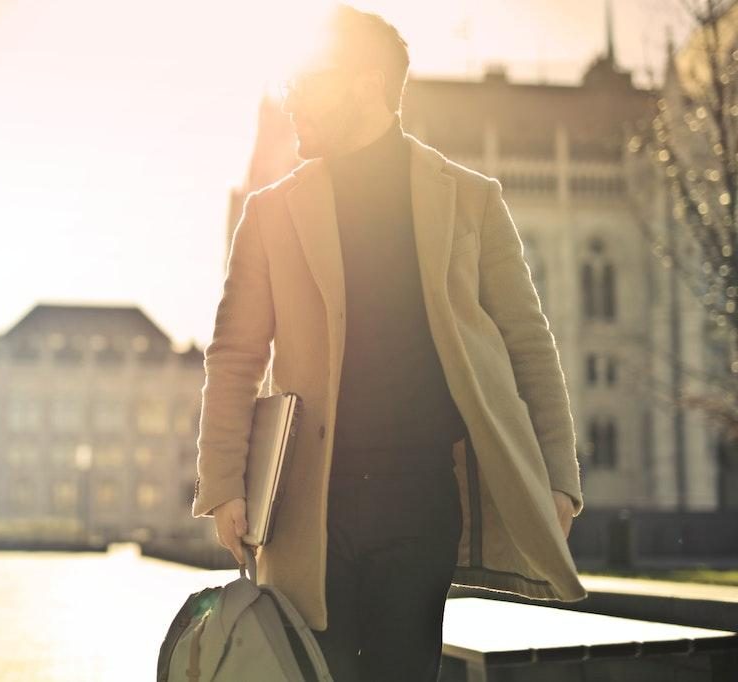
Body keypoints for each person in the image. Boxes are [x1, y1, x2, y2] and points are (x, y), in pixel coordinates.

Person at [191, 5, 585, 680]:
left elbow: (529, 345)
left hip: (421, 500)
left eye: (307, 82)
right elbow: (233, 356)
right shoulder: (270, 212)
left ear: (366, 82)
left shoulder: (473, 199)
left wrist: (560, 479)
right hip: (310, 506)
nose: (292, 100)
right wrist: (225, 483)